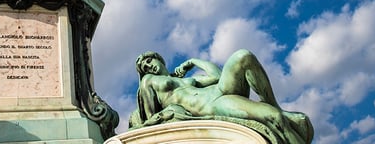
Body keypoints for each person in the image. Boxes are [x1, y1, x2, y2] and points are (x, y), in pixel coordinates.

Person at [133, 49, 313, 144]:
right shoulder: (148, 81)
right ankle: (276, 111)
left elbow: (217, 77)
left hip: (218, 92)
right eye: (145, 68)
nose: (149, 67)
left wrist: (193, 62)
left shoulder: (186, 80)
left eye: (149, 61)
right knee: (274, 117)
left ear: (158, 58)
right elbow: (151, 119)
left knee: (243, 56)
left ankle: (274, 103)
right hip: (212, 106)